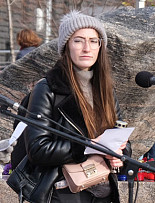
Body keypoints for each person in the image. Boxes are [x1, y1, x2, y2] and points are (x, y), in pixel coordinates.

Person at [11, 10, 130, 203]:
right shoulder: (48, 88)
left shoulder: (105, 89)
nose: (86, 48)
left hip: (103, 189)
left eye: (93, 41)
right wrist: (87, 146)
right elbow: (38, 148)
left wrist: (120, 155)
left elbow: (119, 137)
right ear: (66, 46)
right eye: (78, 40)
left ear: (101, 47)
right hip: (63, 191)